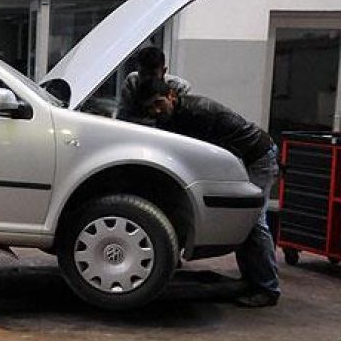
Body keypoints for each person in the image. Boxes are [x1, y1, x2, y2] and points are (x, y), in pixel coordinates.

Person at [139, 79, 280, 307]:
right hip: (244, 157)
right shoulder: (172, 116)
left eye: (159, 103)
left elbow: (207, 156)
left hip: (258, 157)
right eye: (150, 107)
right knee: (246, 222)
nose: (155, 110)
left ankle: (268, 288)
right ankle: (252, 281)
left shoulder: (198, 113)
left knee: (253, 221)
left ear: (172, 96)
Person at [116, 45, 191, 123]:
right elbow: (122, 118)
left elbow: (184, 122)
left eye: (153, 74)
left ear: (163, 72)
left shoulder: (179, 87)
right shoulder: (132, 82)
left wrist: (170, 111)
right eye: (142, 74)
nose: (147, 78)